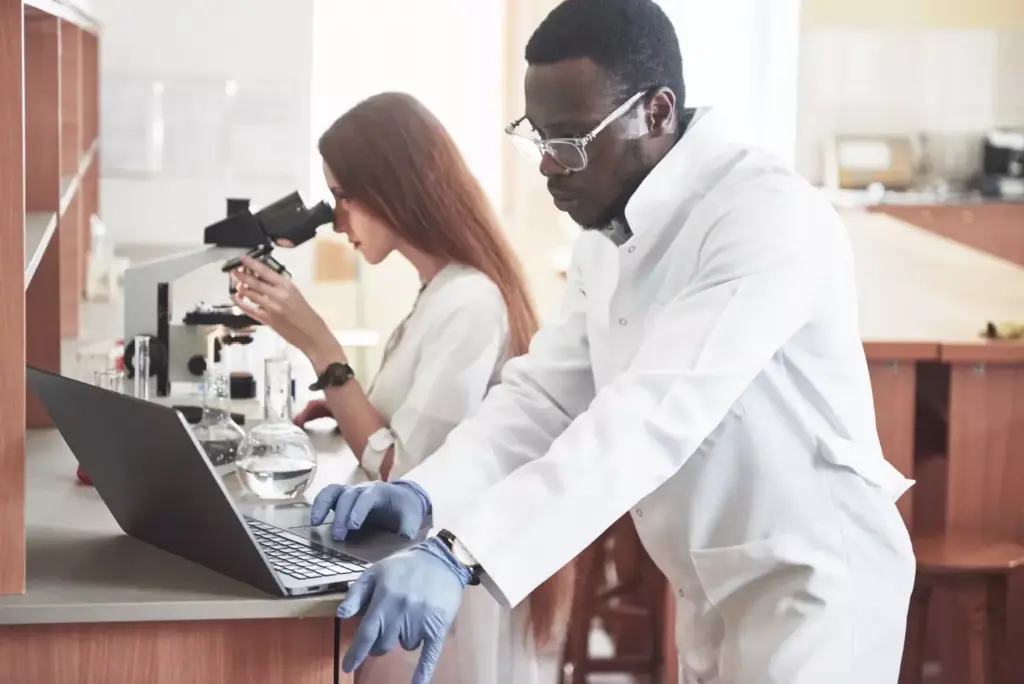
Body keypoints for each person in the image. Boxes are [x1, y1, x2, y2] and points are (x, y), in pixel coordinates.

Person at [315, 1, 919, 683]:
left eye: (569, 141)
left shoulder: (762, 216)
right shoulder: (609, 235)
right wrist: (428, 494)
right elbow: (542, 401)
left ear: (656, 113)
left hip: (813, 584)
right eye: (537, 137)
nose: (547, 165)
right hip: (713, 581)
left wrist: (461, 553)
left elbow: (650, 417)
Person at [229, 91, 574, 684]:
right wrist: (343, 405)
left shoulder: (470, 301)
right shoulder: (439, 290)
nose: (335, 222)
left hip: (436, 589)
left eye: (341, 197)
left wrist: (320, 347)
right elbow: (404, 433)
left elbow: (409, 478)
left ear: (394, 186)